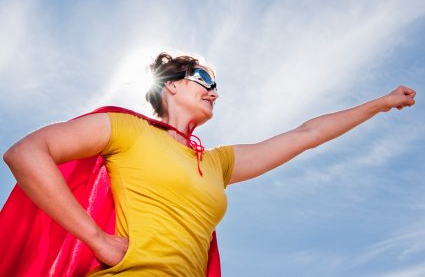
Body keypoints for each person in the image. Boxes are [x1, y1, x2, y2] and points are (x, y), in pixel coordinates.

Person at [2, 52, 416, 276]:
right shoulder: (126, 130)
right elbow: (26, 153)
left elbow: (305, 135)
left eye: (215, 85)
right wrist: (97, 238)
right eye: (204, 79)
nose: (214, 92)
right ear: (173, 84)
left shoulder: (218, 163)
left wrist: (379, 104)